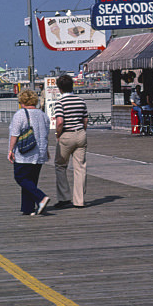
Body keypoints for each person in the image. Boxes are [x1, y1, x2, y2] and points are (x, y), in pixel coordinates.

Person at [7, 89, 50, 215]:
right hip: (40, 152)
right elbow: (45, 134)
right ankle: (28, 208)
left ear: (22, 101)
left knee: (20, 177)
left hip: (25, 153)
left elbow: (14, 134)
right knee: (31, 180)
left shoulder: (20, 114)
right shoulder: (43, 115)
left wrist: (10, 150)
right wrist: (46, 150)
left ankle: (41, 197)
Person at [53, 74, 88, 208]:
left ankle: (64, 197)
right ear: (72, 86)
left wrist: (58, 134)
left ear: (59, 88)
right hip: (80, 134)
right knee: (80, 167)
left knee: (60, 165)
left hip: (66, 135)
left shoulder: (60, 102)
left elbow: (60, 122)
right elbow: (85, 120)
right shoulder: (81, 101)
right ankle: (79, 200)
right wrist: (82, 131)